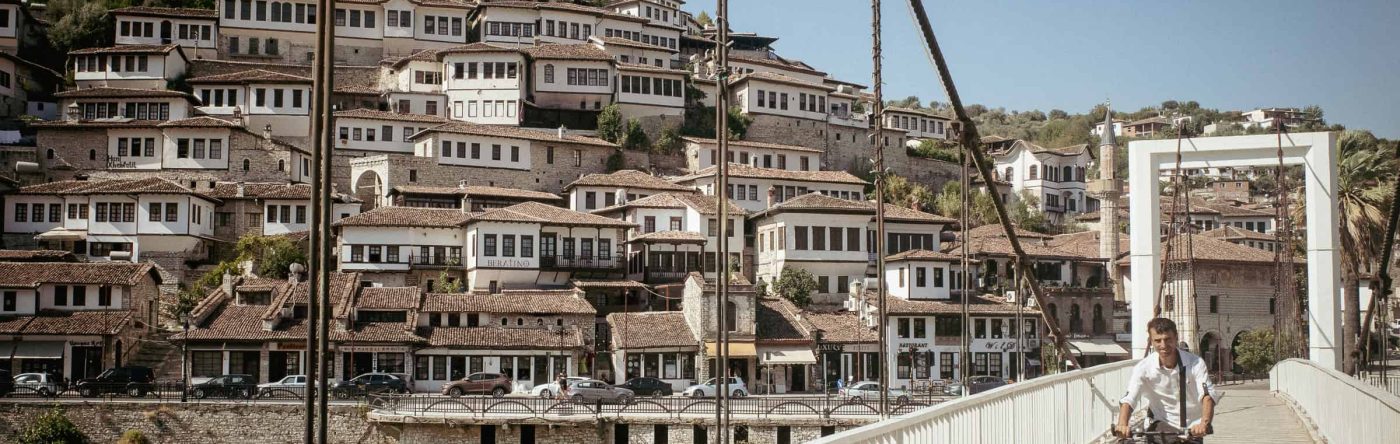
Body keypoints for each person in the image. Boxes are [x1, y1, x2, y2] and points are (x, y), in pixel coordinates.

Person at [1115, 318, 1219, 443]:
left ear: (1176, 338)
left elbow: (1207, 395)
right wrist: (1122, 425)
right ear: (1151, 342)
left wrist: (1204, 423)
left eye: (1168, 339)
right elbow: (1129, 399)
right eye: (1157, 341)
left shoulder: (1195, 363)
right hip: (1160, 426)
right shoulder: (1143, 368)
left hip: (1192, 429)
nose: (1163, 345)